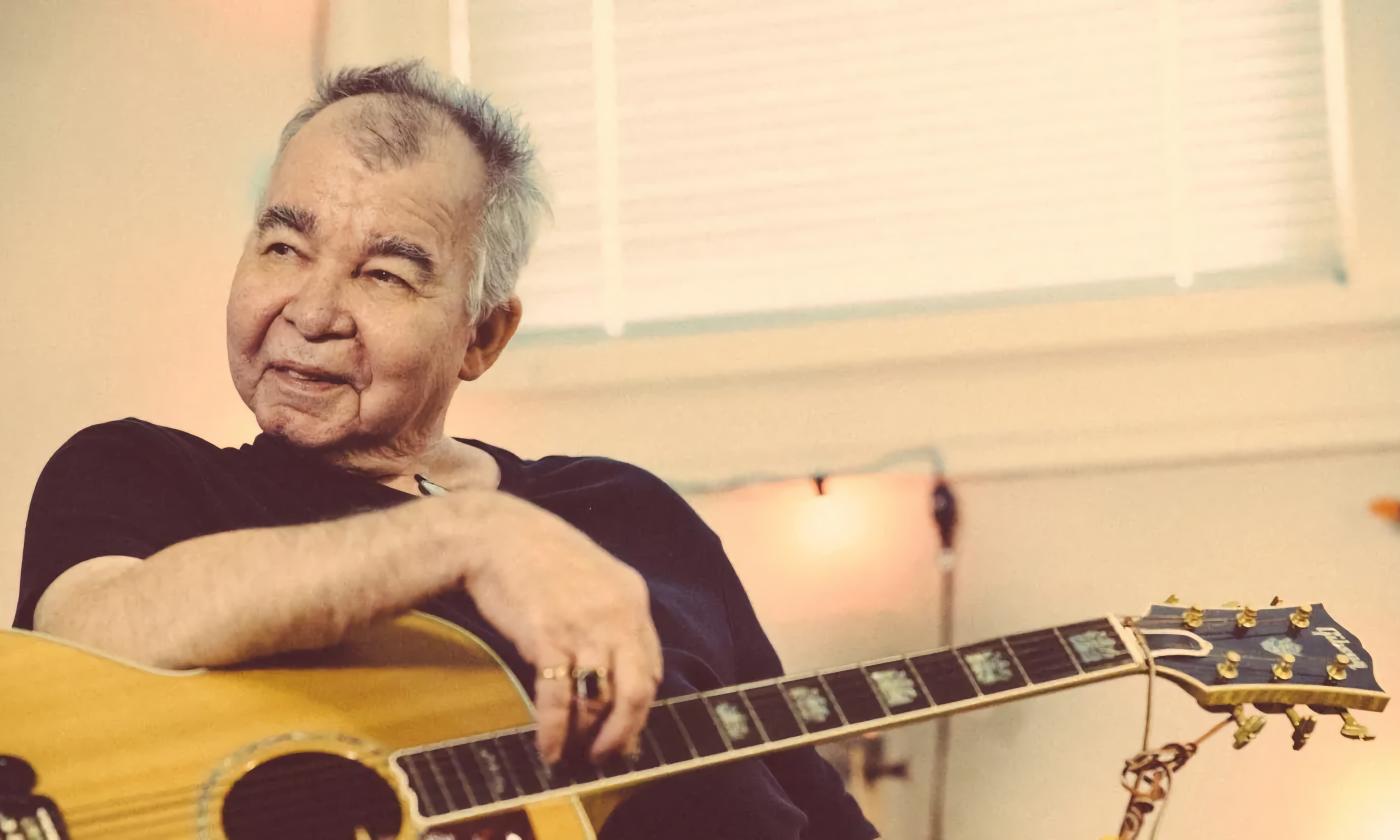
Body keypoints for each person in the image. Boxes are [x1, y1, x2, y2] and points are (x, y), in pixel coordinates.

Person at [13, 61, 877, 839]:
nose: (312, 311)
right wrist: (472, 537)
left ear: (483, 334)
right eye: (284, 247)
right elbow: (99, 631)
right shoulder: (138, 472)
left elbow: (812, 802)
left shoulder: (630, 511)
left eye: (385, 274)